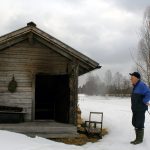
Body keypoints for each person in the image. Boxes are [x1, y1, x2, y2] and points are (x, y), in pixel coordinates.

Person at [129, 72, 150, 144]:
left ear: (136, 78)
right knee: (135, 122)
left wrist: (144, 101)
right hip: (135, 108)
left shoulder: (141, 85)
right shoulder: (135, 85)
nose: (130, 78)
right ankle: (137, 138)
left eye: (132, 77)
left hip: (140, 109)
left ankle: (139, 139)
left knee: (139, 123)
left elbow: (148, 93)